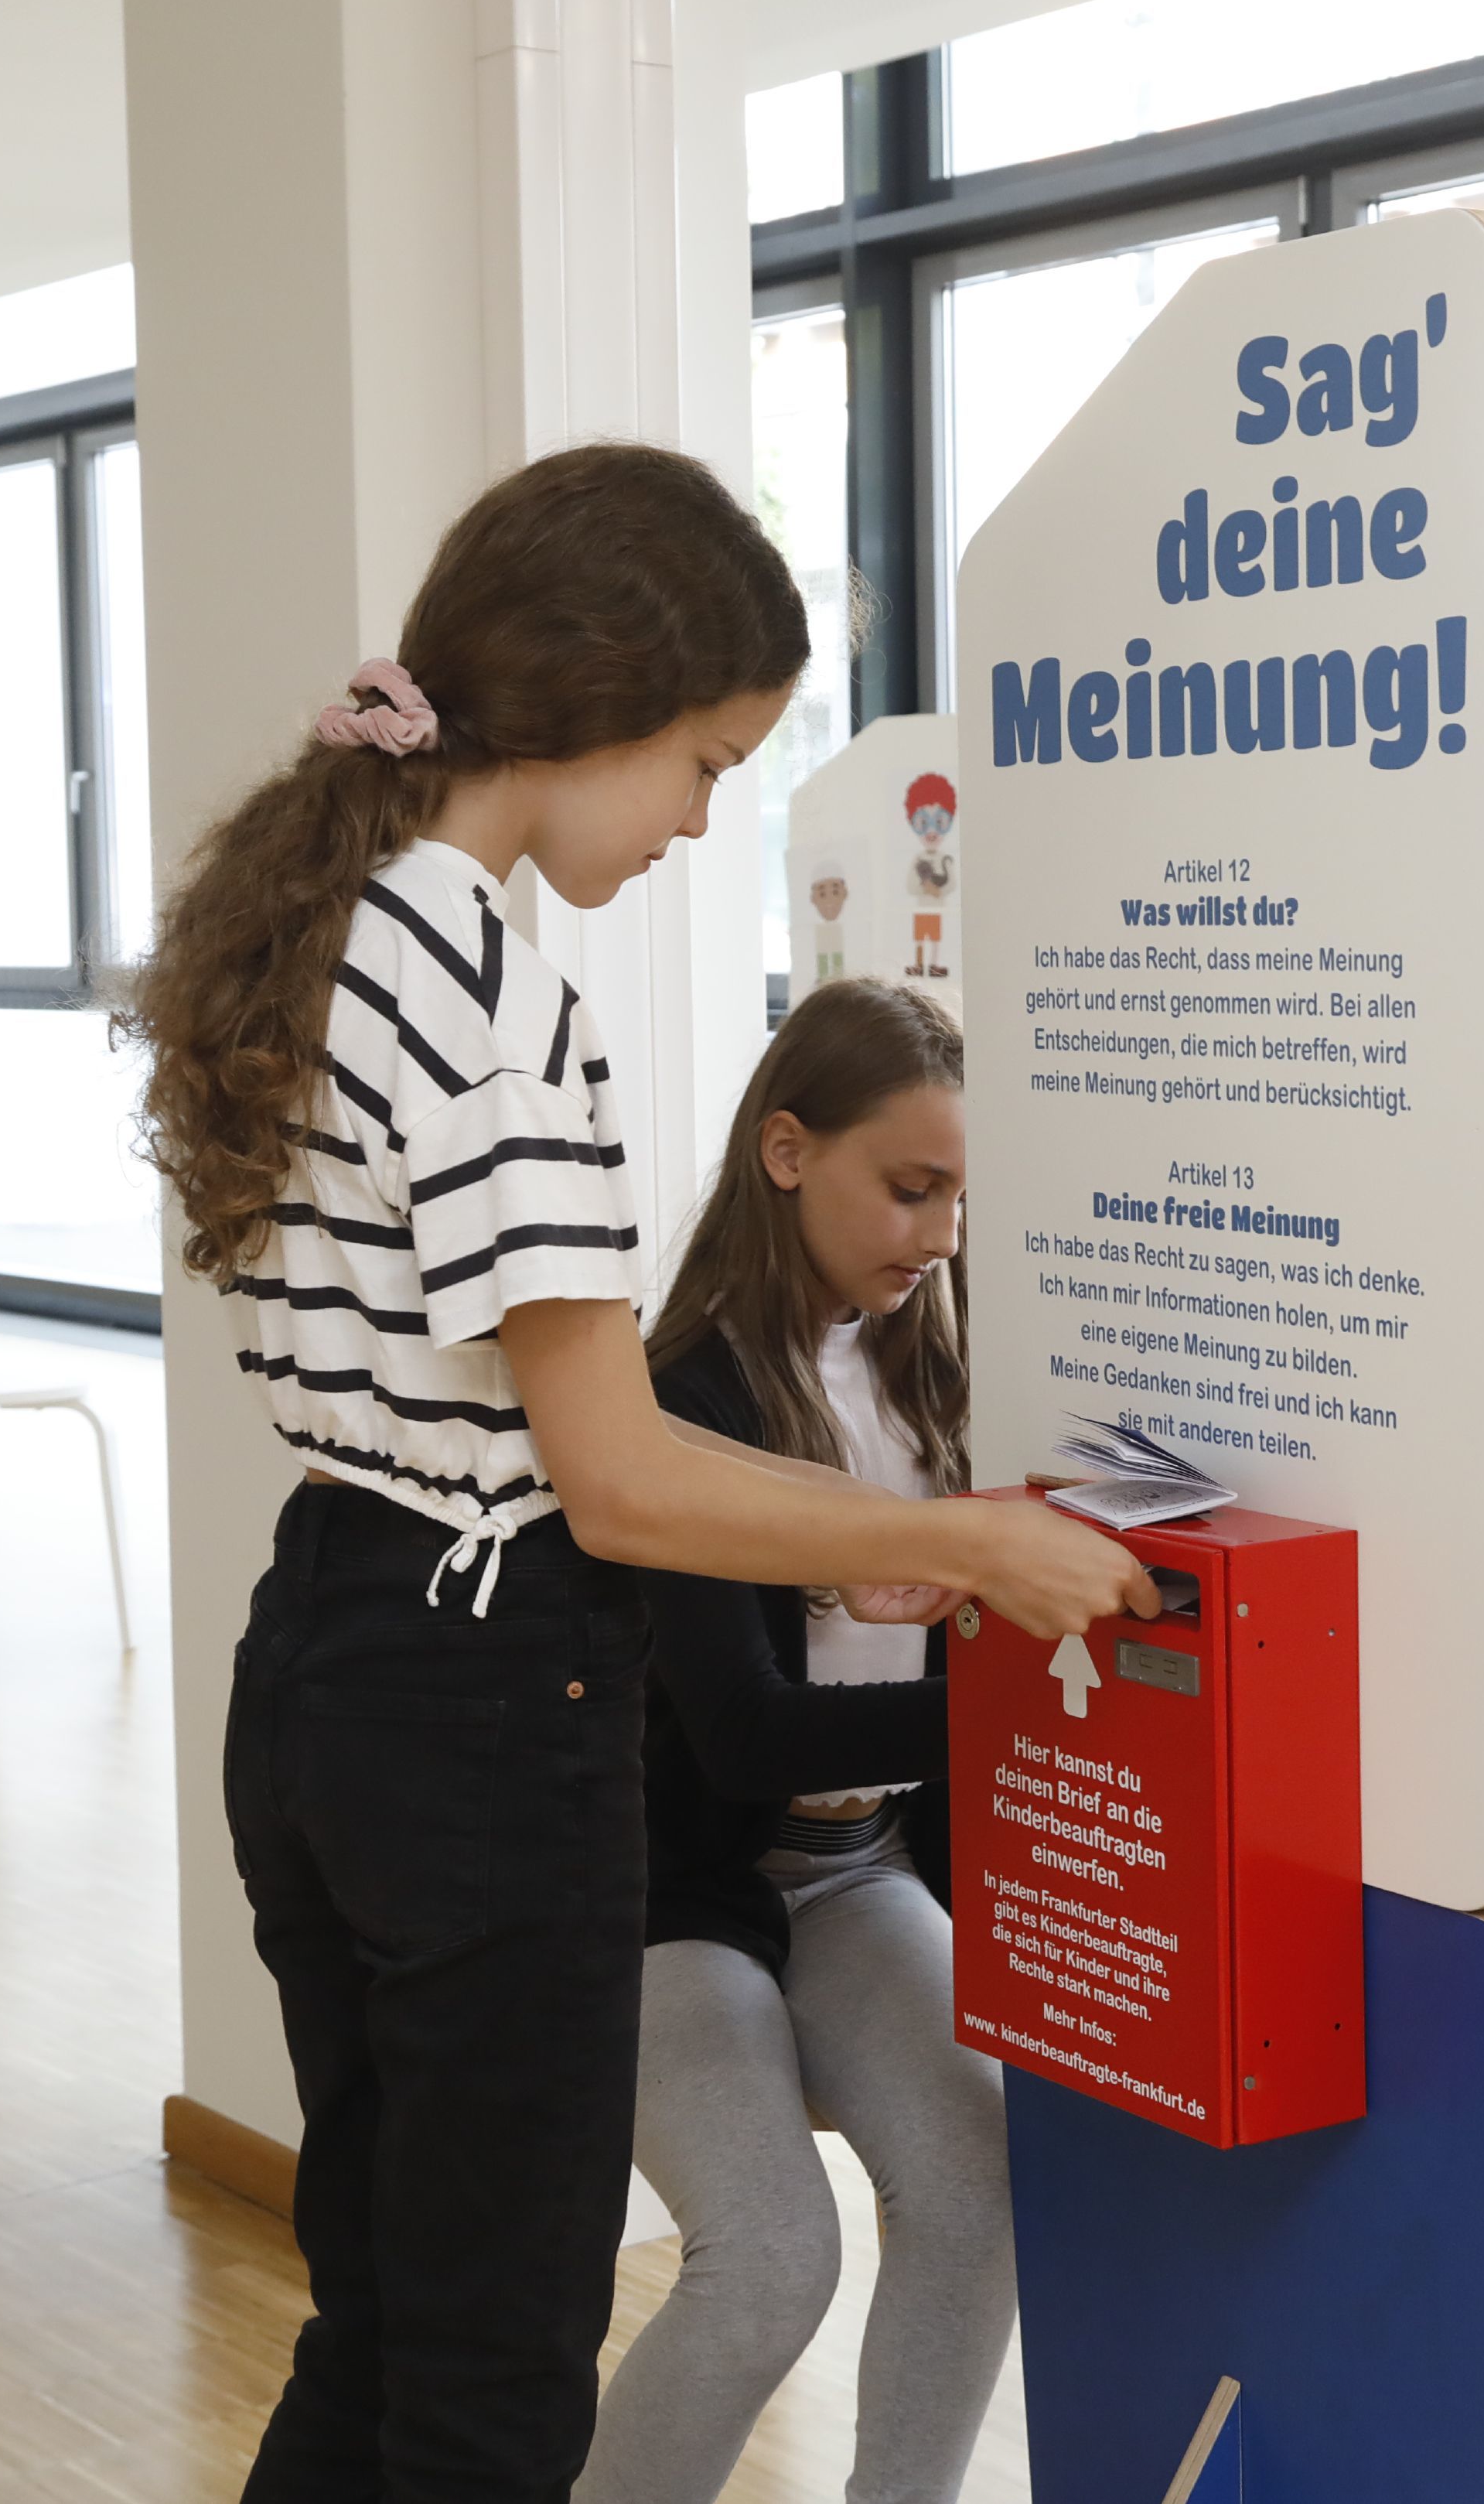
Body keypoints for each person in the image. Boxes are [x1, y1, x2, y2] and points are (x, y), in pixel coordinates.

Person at [125, 441, 1154, 2504]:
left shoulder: (343, 926)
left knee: (395, 2325)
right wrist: (958, 1539)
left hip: (330, 1646)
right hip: (481, 1706)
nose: (702, 821)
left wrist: (880, 1537)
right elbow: (612, 1477)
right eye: (702, 761)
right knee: (497, 2373)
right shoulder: (488, 999)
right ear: (590, 700)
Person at [580, 979, 1008, 2504]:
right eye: (908, 1189)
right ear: (782, 1152)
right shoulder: (673, 1389)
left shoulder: (942, 1372)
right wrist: (998, 1692)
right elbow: (745, 1735)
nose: (940, 1232)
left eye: (959, 1192)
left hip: (857, 1863)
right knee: (768, 2259)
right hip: (671, 1895)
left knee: (975, 2202)